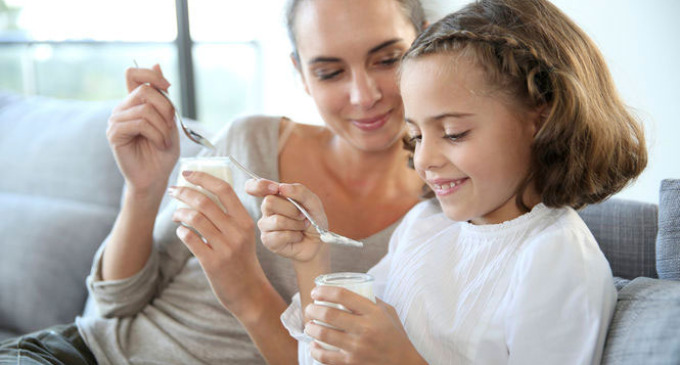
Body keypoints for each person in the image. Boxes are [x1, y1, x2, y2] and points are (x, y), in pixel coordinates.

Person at [0, 0, 427, 364]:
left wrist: (243, 284)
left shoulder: (445, 214)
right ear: (300, 72)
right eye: (330, 72)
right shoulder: (249, 139)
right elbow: (116, 301)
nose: (363, 94)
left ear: (425, 41)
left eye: (387, 59)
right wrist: (143, 189)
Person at [254, 0, 648, 363]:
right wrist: (311, 261)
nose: (423, 159)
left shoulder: (555, 259)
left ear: (540, 118)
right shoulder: (425, 225)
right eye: (417, 135)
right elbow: (329, 354)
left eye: (454, 133)